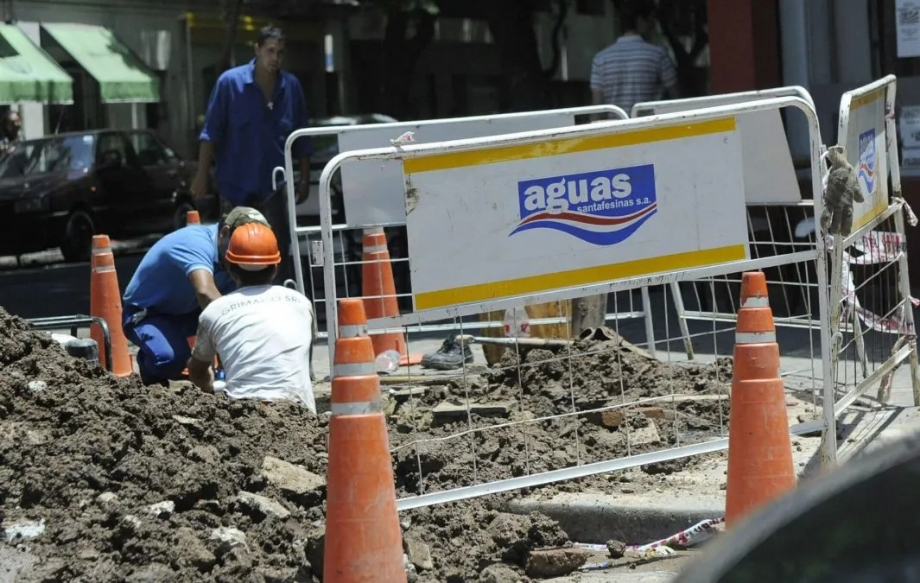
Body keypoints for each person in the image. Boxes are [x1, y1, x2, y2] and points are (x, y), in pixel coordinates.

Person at [190, 24, 312, 286]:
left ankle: (279, 303)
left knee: (276, 252)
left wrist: (304, 178)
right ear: (257, 50)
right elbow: (210, 133)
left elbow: (301, 135)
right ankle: (230, 305)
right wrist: (202, 175)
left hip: (274, 187)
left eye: (280, 52)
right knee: (231, 251)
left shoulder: (290, 87)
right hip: (235, 185)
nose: (275, 58)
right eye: (270, 51)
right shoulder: (230, 83)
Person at [122, 207, 270, 386]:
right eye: (242, 242)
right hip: (147, 313)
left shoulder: (232, 255)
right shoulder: (194, 242)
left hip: (186, 311)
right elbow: (205, 292)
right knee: (170, 360)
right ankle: (149, 366)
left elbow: (237, 306)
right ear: (224, 233)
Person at [187, 222, 316, 412]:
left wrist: (208, 389)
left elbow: (197, 372)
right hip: (300, 415)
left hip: (245, 419)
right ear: (276, 267)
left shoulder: (214, 312)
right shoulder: (300, 302)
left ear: (230, 267)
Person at [590, 0, 679, 115]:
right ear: (640, 20)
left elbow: (597, 108)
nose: (652, 26)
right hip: (649, 129)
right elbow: (677, 100)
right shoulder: (658, 55)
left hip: (615, 130)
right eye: (650, 20)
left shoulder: (600, 59)